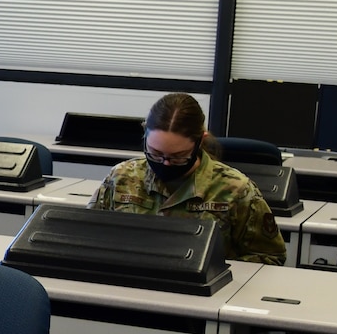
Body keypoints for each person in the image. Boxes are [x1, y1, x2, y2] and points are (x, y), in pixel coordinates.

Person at [90, 92, 287, 265]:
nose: (165, 163)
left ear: (200, 141)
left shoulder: (236, 189)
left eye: (177, 156)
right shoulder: (122, 177)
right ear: (145, 134)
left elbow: (270, 257)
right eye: (155, 153)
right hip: (129, 286)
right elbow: (88, 234)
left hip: (203, 295)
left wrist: (214, 268)